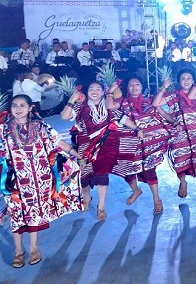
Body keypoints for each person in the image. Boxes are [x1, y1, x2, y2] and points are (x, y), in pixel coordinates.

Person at [1, 95, 82, 268]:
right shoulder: (4, 129)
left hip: (39, 179)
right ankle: (18, 251)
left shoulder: (40, 126)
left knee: (34, 213)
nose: (18, 109)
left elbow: (58, 141)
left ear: (30, 108)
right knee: (16, 213)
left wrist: (77, 154)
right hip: (15, 181)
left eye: (22, 105)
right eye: (15, 105)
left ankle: (34, 248)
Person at [61, 81, 143, 220]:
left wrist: (137, 129)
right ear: (86, 92)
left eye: (98, 89)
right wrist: (71, 100)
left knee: (102, 174)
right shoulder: (81, 106)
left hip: (107, 144)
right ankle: (87, 197)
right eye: (91, 89)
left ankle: (101, 207)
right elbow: (64, 116)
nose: (94, 91)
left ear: (103, 91)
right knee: (84, 173)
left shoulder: (108, 104)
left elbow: (122, 118)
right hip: (85, 145)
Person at [106, 76, 171, 214]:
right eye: (131, 85)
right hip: (130, 143)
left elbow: (162, 113)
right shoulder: (122, 102)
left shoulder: (150, 100)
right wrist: (110, 92)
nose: (134, 87)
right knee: (128, 170)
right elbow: (109, 106)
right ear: (127, 88)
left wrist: (174, 124)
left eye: (137, 84)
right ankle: (136, 191)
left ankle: (156, 199)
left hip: (149, 144)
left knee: (150, 171)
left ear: (141, 87)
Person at [152, 69, 196, 203]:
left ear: (193, 81)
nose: (186, 81)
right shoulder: (174, 95)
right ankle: (183, 182)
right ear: (179, 82)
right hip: (180, 132)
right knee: (181, 159)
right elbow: (156, 104)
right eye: (183, 79)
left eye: (189, 78)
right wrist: (164, 87)